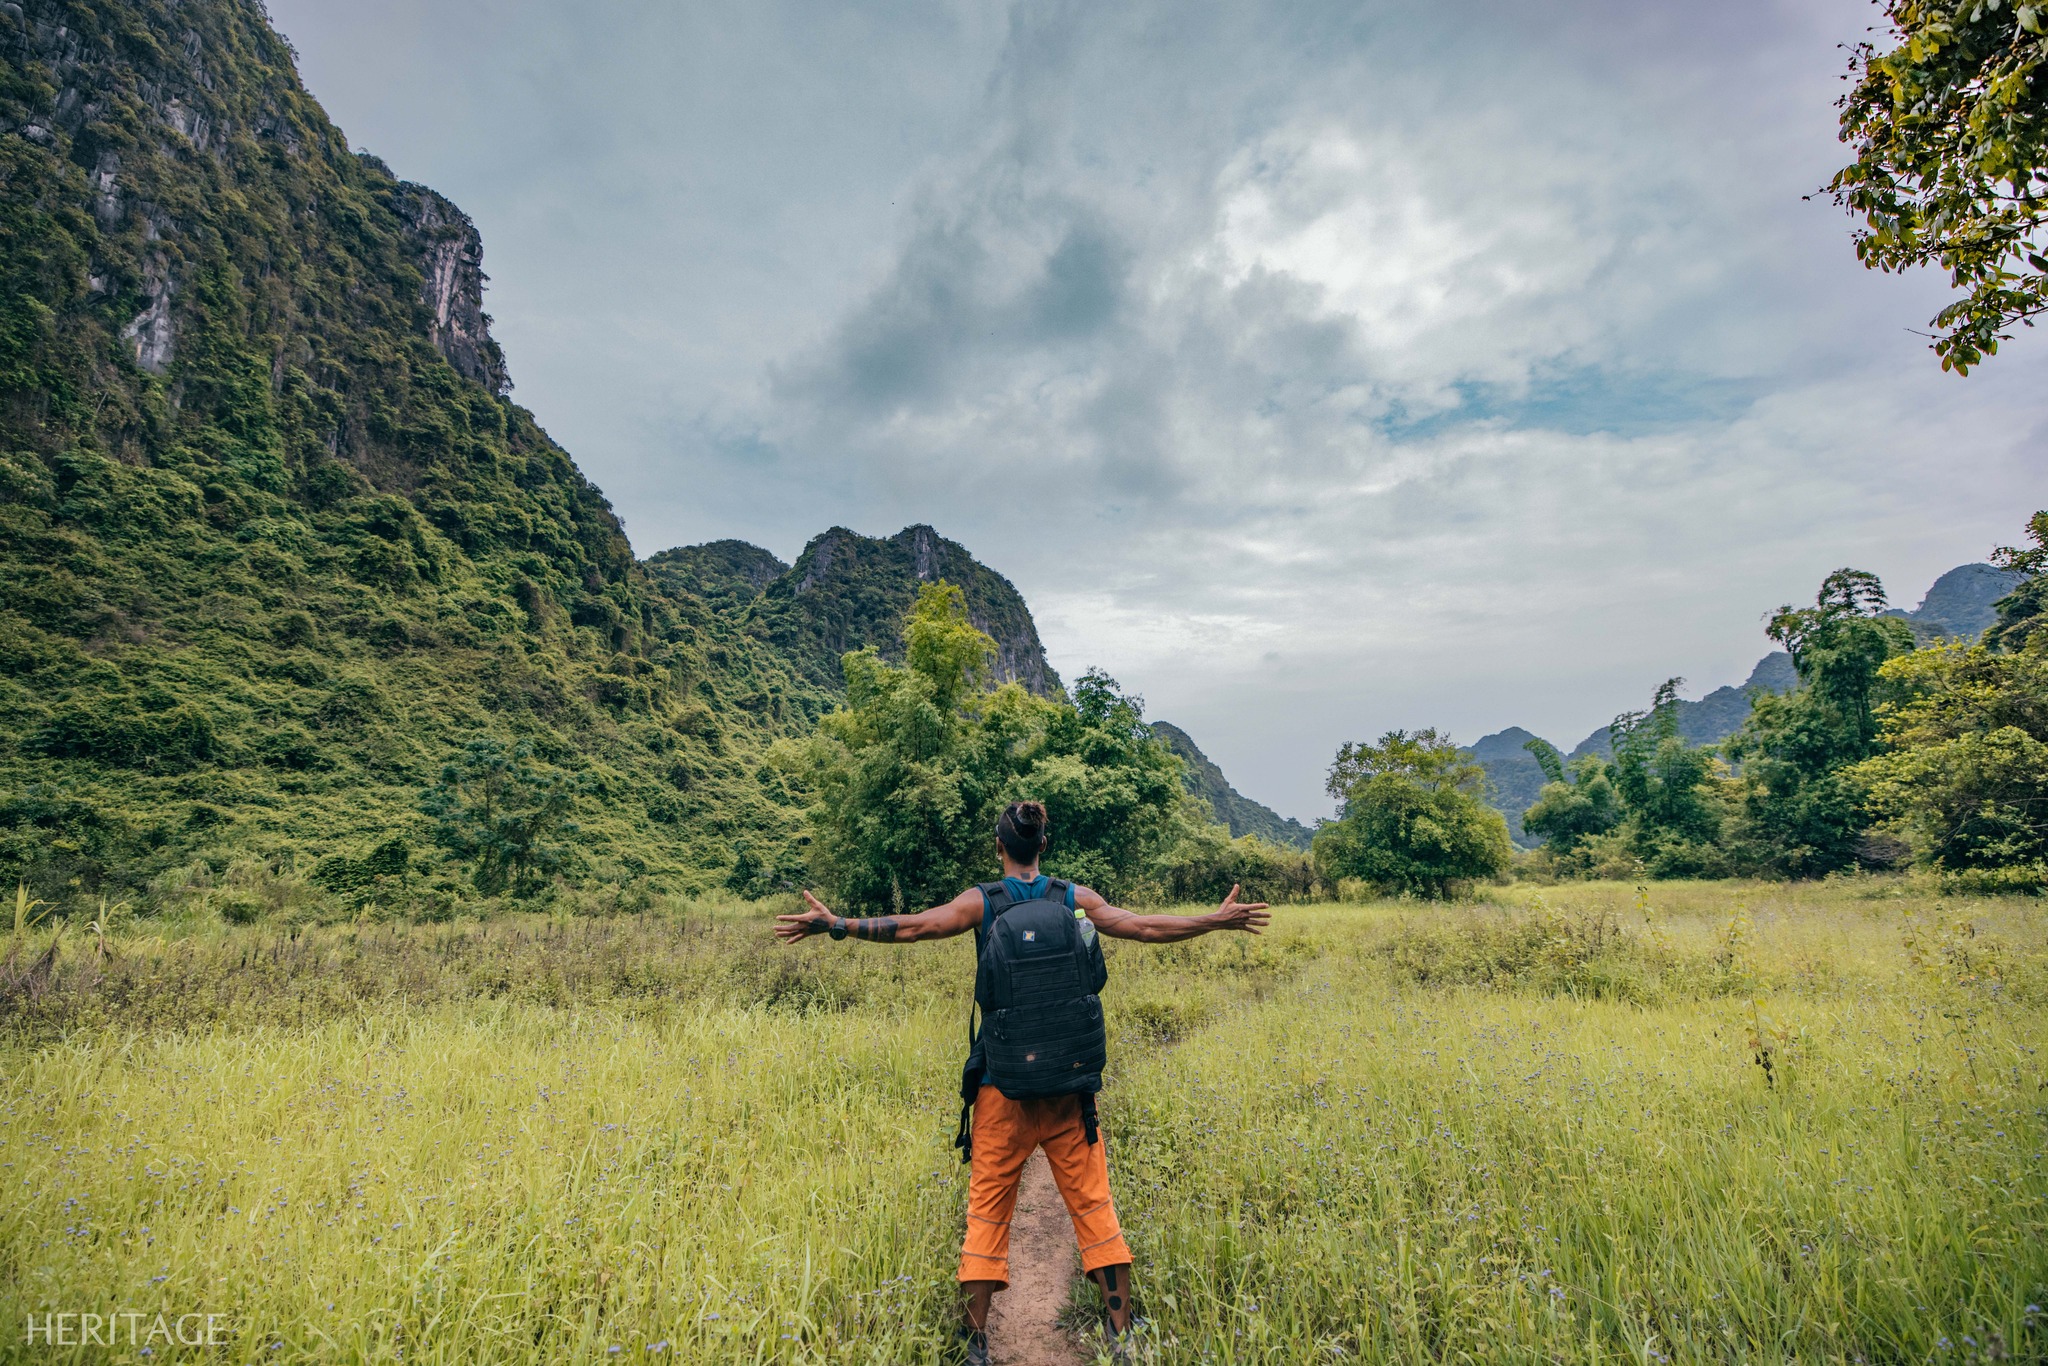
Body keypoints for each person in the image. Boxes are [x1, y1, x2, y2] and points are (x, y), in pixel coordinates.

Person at [774, 799, 1270, 1362]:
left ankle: (976, 1342)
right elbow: (1143, 927)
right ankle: (1120, 1334)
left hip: (999, 1086)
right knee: (1093, 1205)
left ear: (999, 847)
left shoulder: (981, 902)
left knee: (987, 1209)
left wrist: (837, 924)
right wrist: (1214, 920)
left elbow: (913, 928)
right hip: (1069, 1089)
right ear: (1043, 847)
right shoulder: (1075, 899)